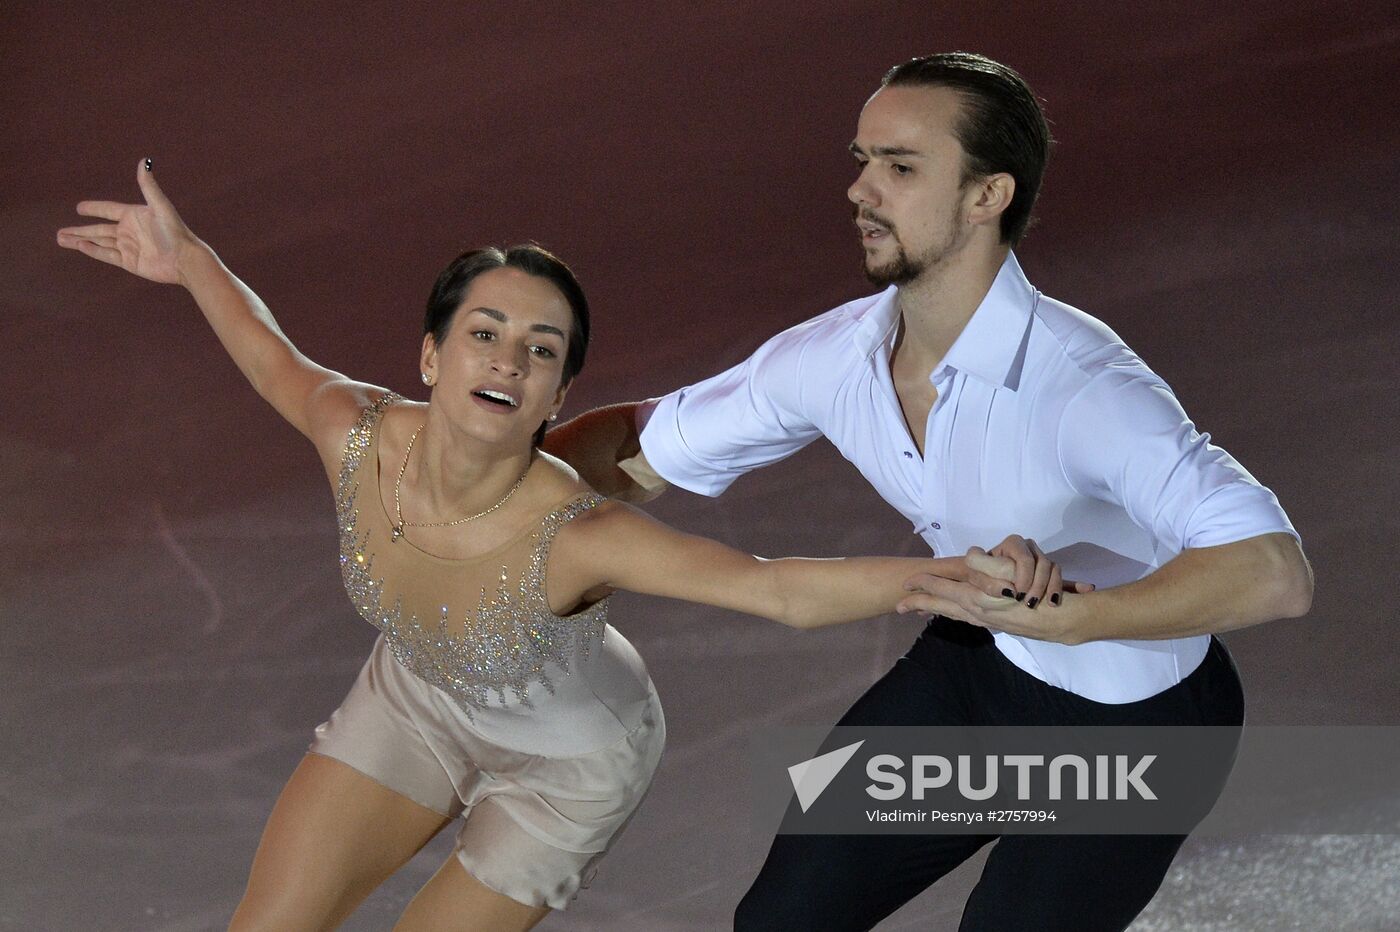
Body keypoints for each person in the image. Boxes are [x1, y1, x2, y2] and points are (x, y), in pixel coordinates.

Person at [55, 160, 1076, 931]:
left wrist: (942, 579)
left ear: (558, 394)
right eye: (485, 333)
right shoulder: (354, 431)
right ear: (429, 354)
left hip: (568, 762)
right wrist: (187, 260)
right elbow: (268, 351)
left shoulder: (576, 533)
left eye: (541, 352)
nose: (508, 360)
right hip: (414, 698)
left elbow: (772, 593)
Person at [546, 52, 1314, 931]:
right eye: (862, 161)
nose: (861, 189)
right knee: (780, 922)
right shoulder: (832, 359)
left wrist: (1084, 618)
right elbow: (635, 450)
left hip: (1138, 728)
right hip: (976, 674)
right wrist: (486, 484)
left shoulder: (1086, 388)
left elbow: (1272, 572)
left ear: (988, 195)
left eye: (901, 168)